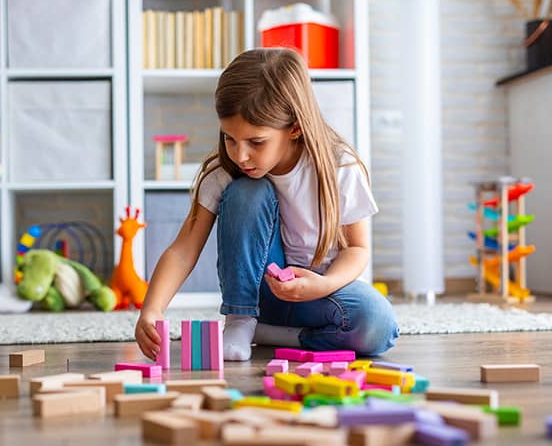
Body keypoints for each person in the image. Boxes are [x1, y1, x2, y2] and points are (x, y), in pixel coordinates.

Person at [135, 47, 399, 362]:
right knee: (248, 191)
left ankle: (276, 336)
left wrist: (323, 285)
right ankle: (241, 321)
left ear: (295, 128)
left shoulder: (339, 166)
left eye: (256, 142)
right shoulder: (224, 175)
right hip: (256, 295)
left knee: (377, 323)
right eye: (230, 139)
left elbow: (358, 249)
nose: (240, 155)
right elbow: (183, 249)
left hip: (318, 293)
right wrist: (152, 309)